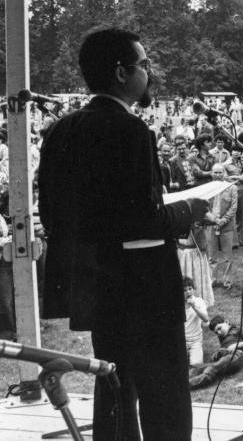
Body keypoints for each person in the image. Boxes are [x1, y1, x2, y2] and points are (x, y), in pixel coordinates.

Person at [39, 28, 209, 440]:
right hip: (145, 287)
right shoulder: (130, 131)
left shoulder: (61, 130)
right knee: (164, 389)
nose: (149, 73)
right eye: (144, 65)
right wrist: (189, 209)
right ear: (120, 73)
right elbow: (143, 219)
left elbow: (54, 216)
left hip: (97, 286)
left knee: (113, 383)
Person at [188, 315, 243, 389]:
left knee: (213, 368)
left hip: (236, 356)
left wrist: (236, 345)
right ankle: (185, 379)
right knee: (198, 366)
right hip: (225, 355)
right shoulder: (221, 336)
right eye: (216, 332)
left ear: (226, 322)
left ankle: (188, 384)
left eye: (219, 328)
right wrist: (220, 352)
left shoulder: (237, 330)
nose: (219, 333)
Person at [183, 277, 209, 366]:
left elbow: (206, 319)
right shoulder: (177, 304)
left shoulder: (199, 301)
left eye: (190, 289)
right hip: (181, 340)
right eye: (184, 290)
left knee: (196, 365)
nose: (188, 292)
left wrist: (194, 306)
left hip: (195, 341)